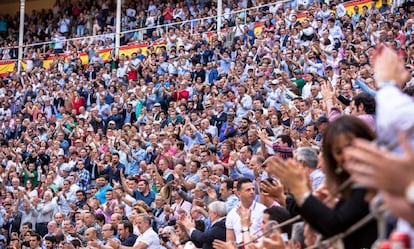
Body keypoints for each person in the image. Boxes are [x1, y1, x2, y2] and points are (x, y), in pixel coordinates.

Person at [265, 115, 378, 248]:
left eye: (350, 146)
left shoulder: (371, 178)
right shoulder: (350, 182)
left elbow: (335, 225)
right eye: (338, 151)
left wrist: (301, 191)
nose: (346, 155)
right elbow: (326, 227)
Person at [225, 178, 266, 244]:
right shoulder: (232, 214)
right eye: (248, 190)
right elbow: (230, 241)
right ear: (239, 193)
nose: (252, 192)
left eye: (253, 189)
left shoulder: (263, 210)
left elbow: (269, 235)